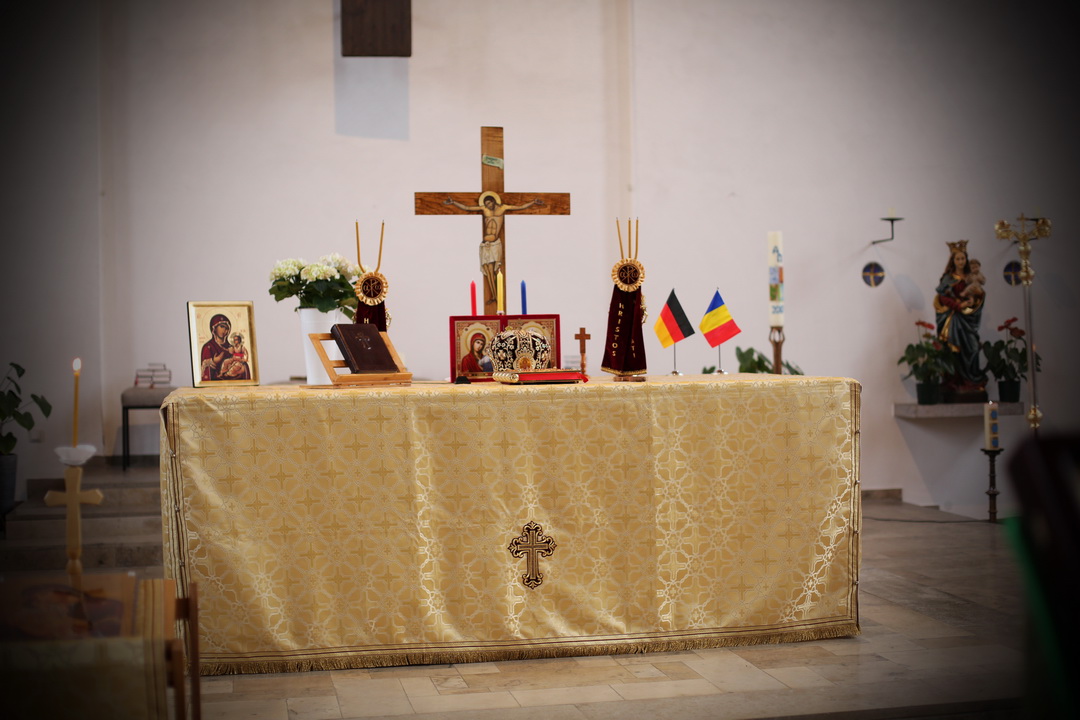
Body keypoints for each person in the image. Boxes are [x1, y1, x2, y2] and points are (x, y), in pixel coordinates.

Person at [445, 191, 544, 302]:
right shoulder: (484, 209)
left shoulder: (503, 208)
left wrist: (533, 202)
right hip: (485, 244)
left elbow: (520, 207)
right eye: (486, 204)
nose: (488, 206)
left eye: (489, 203)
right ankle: (494, 296)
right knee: (488, 271)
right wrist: (453, 202)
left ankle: (497, 295)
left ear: (493, 201)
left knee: (494, 270)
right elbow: (467, 208)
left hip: (495, 243)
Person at [934, 241, 987, 396]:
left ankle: (972, 382)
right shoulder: (948, 278)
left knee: (973, 347)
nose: (961, 261)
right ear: (953, 260)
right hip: (953, 320)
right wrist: (958, 305)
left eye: (963, 258)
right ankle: (954, 383)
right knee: (953, 350)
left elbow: (979, 294)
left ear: (966, 259)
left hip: (968, 319)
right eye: (957, 259)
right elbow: (942, 298)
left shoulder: (971, 277)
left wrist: (975, 299)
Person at [200, 314, 233, 381]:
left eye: (227, 328)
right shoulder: (208, 347)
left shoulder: (231, 348)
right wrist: (213, 361)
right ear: (214, 328)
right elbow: (204, 371)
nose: (224, 330)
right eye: (222, 326)